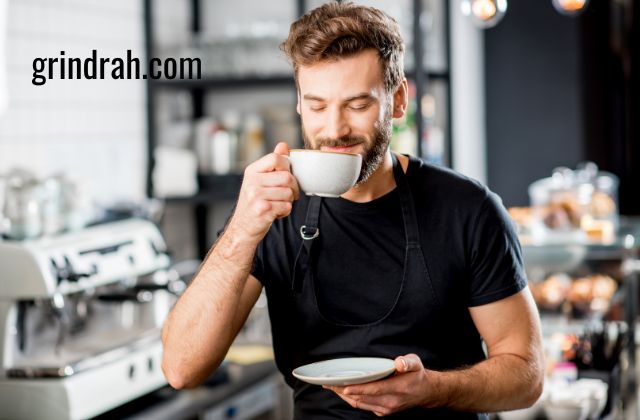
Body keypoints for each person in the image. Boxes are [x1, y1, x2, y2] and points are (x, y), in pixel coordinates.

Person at [161, 2, 544, 419]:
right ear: (299, 104)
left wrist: (432, 388)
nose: (334, 129)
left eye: (357, 105)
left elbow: (526, 374)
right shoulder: (270, 212)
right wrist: (241, 231)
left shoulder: (467, 209)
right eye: (318, 105)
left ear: (397, 102)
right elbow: (181, 368)